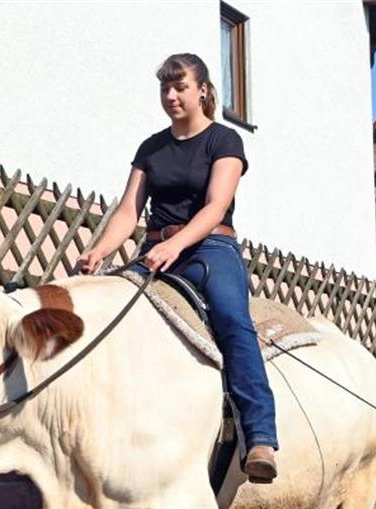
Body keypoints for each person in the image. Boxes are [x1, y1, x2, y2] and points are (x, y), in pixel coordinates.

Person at [77, 53, 278, 483]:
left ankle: (260, 435)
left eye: (180, 87)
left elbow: (216, 206)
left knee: (231, 318)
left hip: (210, 248)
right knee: (105, 309)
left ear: (202, 90)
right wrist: (100, 251)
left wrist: (179, 245)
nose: (171, 96)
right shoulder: (151, 148)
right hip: (153, 250)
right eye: (165, 88)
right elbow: (129, 211)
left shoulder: (223, 141)